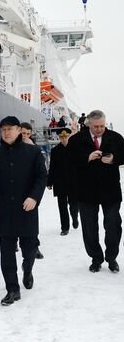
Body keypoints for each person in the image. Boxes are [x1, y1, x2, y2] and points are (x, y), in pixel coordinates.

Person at [0, 116, 47, 306]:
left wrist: (34, 197)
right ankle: (12, 289)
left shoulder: (33, 152)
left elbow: (41, 177)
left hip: (26, 209)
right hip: (3, 211)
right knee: (6, 253)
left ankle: (27, 270)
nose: (6, 132)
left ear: (19, 130)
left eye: (10, 129)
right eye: (3, 130)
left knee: (29, 251)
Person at [67, 110, 124, 273]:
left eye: (102, 126)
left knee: (113, 225)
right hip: (86, 191)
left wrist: (114, 159)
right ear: (89, 124)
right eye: (96, 126)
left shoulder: (116, 137)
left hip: (110, 190)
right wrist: (86, 157)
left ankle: (112, 258)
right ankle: (95, 258)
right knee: (89, 227)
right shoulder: (76, 140)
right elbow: (69, 161)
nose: (99, 129)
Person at [20, 122, 45, 259]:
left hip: (30, 191)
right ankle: (15, 242)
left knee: (31, 221)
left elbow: (41, 172)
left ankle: (35, 247)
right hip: (15, 190)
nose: (25, 136)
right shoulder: (11, 146)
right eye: (23, 133)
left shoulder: (34, 149)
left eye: (28, 134)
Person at [47, 128, 79, 235]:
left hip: (73, 181)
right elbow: (52, 167)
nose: (64, 139)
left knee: (73, 204)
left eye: (66, 137)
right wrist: (49, 182)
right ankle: (65, 227)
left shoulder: (75, 150)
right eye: (61, 137)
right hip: (60, 182)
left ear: (69, 137)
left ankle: (74, 216)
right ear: (59, 138)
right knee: (62, 206)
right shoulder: (55, 151)